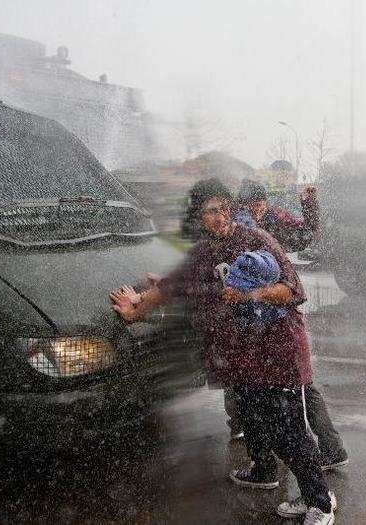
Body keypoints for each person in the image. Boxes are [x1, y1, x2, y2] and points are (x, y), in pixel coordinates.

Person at [110, 178, 336, 524]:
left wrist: (248, 295)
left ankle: (320, 502)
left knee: (290, 429)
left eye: (223, 208)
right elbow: (173, 285)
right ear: (200, 217)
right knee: (261, 423)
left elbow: (292, 291)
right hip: (245, 356)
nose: (219, 217)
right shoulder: (203, 252)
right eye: (210, 212)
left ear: (232, 209)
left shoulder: (257, 240)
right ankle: (266, 474)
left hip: (280, 351)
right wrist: (137, 306)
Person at [225, 178, 349, 471]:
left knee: (296, 386)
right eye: (249, 206)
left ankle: (321, 455)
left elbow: (306, 235)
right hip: (260, 321)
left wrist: (310, 204)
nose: (255, 210)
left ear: (264, 204)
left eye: (258, 204)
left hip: (276, 319)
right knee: (255, 382)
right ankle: (250, 434)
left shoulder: (268, 224)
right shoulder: (243, 227)